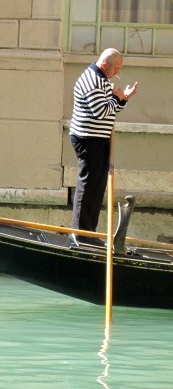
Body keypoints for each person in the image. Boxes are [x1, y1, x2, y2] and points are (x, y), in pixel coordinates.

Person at [70, 48, 138, 246]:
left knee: (97, 187)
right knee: (89, 185)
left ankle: (88, 232)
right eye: (116, 68)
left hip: (98, 139)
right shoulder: (93, 80)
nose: (117, 72)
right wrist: (117, 97)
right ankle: (81, 234)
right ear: (105, 65)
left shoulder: (103, 79)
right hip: (88, 139)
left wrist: (122, 97)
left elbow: (110, 109)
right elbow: (101, 112)